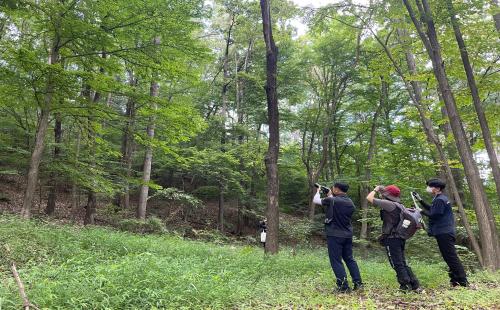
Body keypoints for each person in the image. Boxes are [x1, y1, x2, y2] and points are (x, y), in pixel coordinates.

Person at [413, 178, 468, 287]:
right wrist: (420, 200)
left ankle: (462, 281)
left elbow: (434, 215)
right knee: (448, 256)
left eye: (430, 186)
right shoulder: (439, 198)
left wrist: (421, 211)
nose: (428, 188)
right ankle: (455, 280)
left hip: (444, 232)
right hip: (444, 232)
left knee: (451, 257)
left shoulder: (440, 199)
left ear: (437, 188)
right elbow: (433, 209)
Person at [366, 185, 422, 292]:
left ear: (388, 195)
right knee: (401, 262)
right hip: (400, 237)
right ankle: (414, 284)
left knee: (396, 263)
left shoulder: (388, 204)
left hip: (391, 238)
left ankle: (405, 285)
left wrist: (375, 189)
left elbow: (369, 198)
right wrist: (383, 191)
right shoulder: (399, 205)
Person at [313, 182, 363, 293]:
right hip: (347, 235)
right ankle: (358, 284)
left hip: (335, 234)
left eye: (333, 188)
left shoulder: (333, 200)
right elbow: (336, 205)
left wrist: (318, 191)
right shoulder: (350, 202)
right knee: (350, 259)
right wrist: (330, 195)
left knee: (336, 261)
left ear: (336, 189)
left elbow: (316, 201)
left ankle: (343, 287)